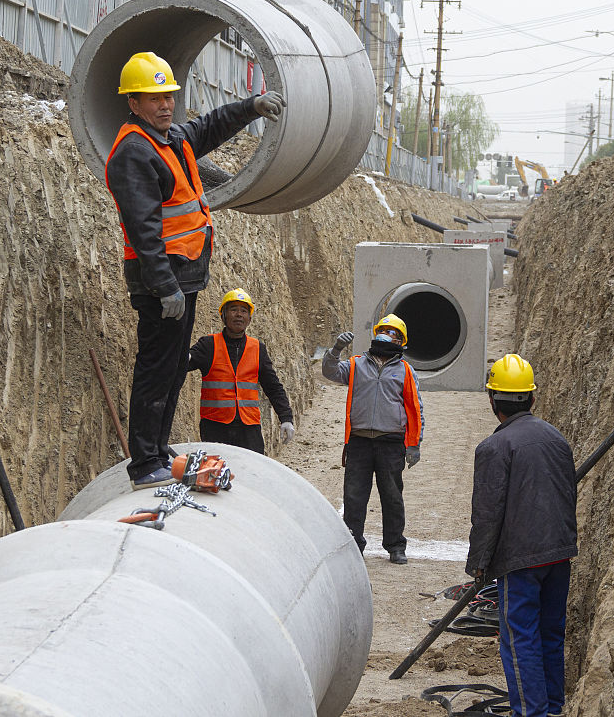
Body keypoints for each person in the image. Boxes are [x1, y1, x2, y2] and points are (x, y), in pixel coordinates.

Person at [106, 51, 286, 488]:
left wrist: (251, 107)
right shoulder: (134, 153)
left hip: (183, 278)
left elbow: (209, 126)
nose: (165, 104)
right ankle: (145, 462)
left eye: (169, 95)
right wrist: (164, 285)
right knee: (155, 368)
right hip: (162, 283)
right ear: (133, 103)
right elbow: (144, 231)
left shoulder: (171, 139)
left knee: (169, 370)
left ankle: (158, 449)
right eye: (154, 98)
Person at [466, 354, 577, 717]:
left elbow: (487, 514)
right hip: (559, 553)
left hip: (521, 559)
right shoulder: (556, 439)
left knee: (519, 638)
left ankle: (530, 712)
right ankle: (553, 707)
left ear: (493, 400)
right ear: (532, 398)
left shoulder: (494, 448)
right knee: (550, 633)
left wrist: (479, 564)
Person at [321, 314, 423, 564]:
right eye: (383, 331)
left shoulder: (406, 371)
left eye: (392, 333)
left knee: (392, 495)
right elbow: (329, 371)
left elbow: (415, 408)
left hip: (391, 443)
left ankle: (396, 546)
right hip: (359, 442)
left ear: (402, 342)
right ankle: (354, 543)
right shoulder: (356, 365)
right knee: (354, 495)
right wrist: (336, 350)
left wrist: (414, 444)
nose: (386, 336)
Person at [187, 288, 295, 455]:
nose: (239, 315)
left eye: (244, 311)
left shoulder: (258, 349)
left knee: (252, 475)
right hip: (215, 426)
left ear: (249, 318)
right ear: (223, 315)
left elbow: (273, 387)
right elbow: (183, 363)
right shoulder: (208, 345)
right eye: (233, 309)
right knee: (216, 476)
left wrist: (286, 418)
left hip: (249, 428)